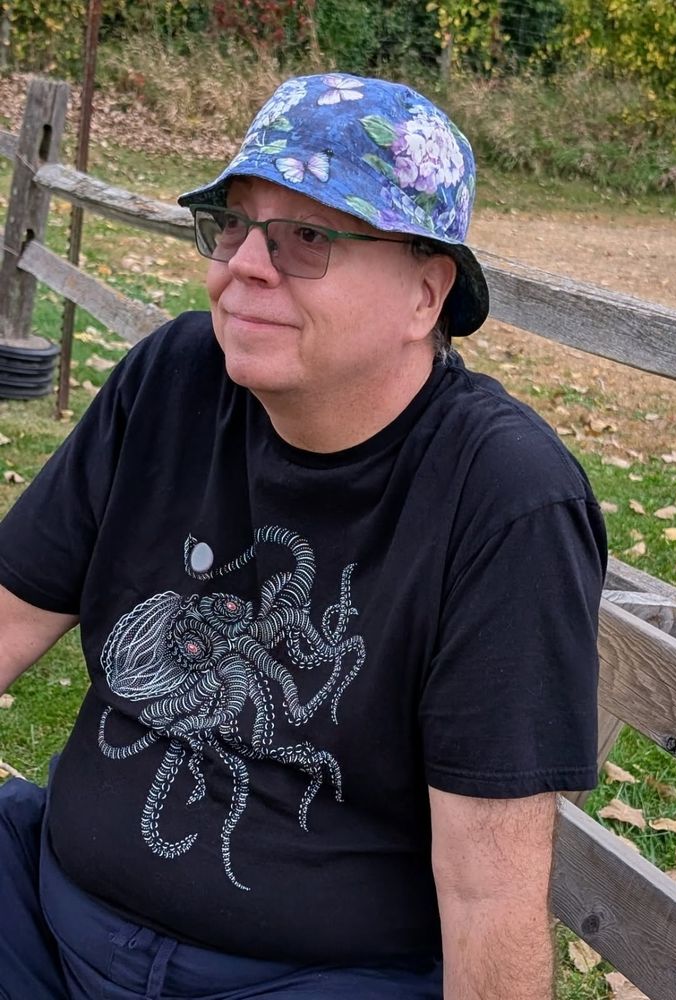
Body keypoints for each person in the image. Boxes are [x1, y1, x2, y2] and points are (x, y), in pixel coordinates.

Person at [0, 73, 605, 999]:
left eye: (308, 237)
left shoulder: (502, 499)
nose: (245, 264)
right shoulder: (174, 377)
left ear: (425, 295)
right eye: (234, 225)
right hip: (44, 918)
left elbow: (488, 895)